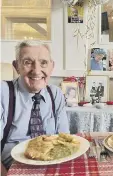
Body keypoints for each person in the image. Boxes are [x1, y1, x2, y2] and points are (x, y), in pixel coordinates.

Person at [1, 40, 70, 175]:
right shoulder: (3, 92)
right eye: (28, 62)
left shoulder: (55, 94)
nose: (37, 70)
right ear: (17, 66)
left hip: (50, 163)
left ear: (51, 66)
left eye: (43, 63)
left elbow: (64, 138)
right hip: (12, 167)